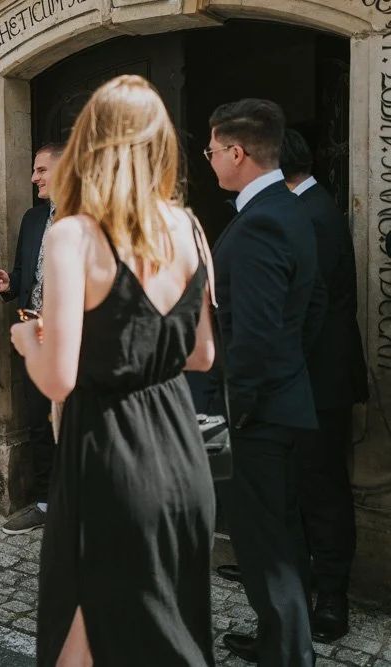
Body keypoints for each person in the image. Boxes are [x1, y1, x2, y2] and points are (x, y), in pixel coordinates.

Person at [12, 74, 216, 666]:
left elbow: (57, 379)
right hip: (181, 456)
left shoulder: (72, 234)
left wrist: (28, 339)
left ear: (88, 144)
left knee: (84, 628)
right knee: (154, 637)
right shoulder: (189, 228)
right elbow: (201, 354)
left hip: (108, 456)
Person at [207, 99, 323, 666]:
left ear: (236, 151)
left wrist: (241, 411)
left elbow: (253, 337)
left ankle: (288, 653)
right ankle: (279, 637)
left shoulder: (260, 222)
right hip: (282, 400)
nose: (209, 161)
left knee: (266, 541)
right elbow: (312, 311)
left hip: (257, 414)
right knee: (276, 536)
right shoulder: (289, 208)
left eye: (210, 150)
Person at [281, 128, 367, 642]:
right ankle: (300, 575)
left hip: (317, 380)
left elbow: (306, 309)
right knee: (301, 485)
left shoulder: (310, 215)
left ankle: (331, 596)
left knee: (323, 489)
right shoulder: (311, 206)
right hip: (308, 379)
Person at [0, 142, 62, 536]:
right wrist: (7, 283)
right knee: (38, 422)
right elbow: (22, 273)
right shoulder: (33, 219)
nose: (34, 178)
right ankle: (47, 503)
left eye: (42, 170)